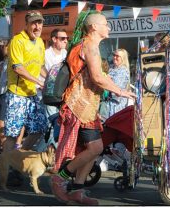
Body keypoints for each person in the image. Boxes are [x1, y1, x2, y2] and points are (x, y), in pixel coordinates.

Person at [50, 12, 136, 205]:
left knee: (95, 148)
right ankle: (59, 178)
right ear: (94, 27)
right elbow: (97, 77)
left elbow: (98, 77)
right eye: (106, 24)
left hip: (87, 107)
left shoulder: (90, 45)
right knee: (95, 147)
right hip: (78, 106)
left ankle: (78, 189)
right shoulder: (89, 46)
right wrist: (121, 92)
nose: (109, 28)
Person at [3, 11, 48, 153]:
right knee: (13, 134)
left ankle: (18, 158)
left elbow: (40, 67)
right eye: (33, 23)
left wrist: (50, 80)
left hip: (31, 93)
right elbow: (18, 68)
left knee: (39, 128)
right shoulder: (17, 40)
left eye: (39, 23)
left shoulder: (40, 42)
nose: (37, 27)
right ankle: (6, 166)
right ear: (26, 24)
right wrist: (39, 82)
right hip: (17, 93)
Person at [35, 29, 69, 151]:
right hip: (48, 96)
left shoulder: (66, 54)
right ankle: (44, 155)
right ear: (54, 39)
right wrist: (43, 83)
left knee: (53, 126)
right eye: (62, 38)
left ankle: (42, 154)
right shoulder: (45, 54)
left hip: (62, 97)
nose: (65, 41)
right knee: (53, 124)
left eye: (66, 38)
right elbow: (37, 71)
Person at [105, 48, 131, 118]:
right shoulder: (112, 68)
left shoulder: (123, 71)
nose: (114, 57)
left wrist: (106, 79)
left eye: (117, 56)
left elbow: (115, 88)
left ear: (123, 58)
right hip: (109, 103)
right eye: (114, 55)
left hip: (116, 105)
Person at [0, 42, 9, 153]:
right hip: (0, 94)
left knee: (1, 122)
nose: (3, 47)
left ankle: (5, 148)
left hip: (7, 94)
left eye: (6, 45)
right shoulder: (1, 63)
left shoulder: (12, 61)